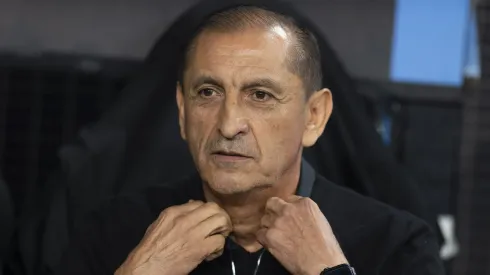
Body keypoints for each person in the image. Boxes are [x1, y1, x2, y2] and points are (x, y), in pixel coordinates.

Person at [54, 3, 444, 275]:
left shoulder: (395, 244)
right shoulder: (111, 231)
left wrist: (331, 273)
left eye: (260, 95)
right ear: (182, 110)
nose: (228, 124)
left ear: (314, 117)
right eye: (208, 92)